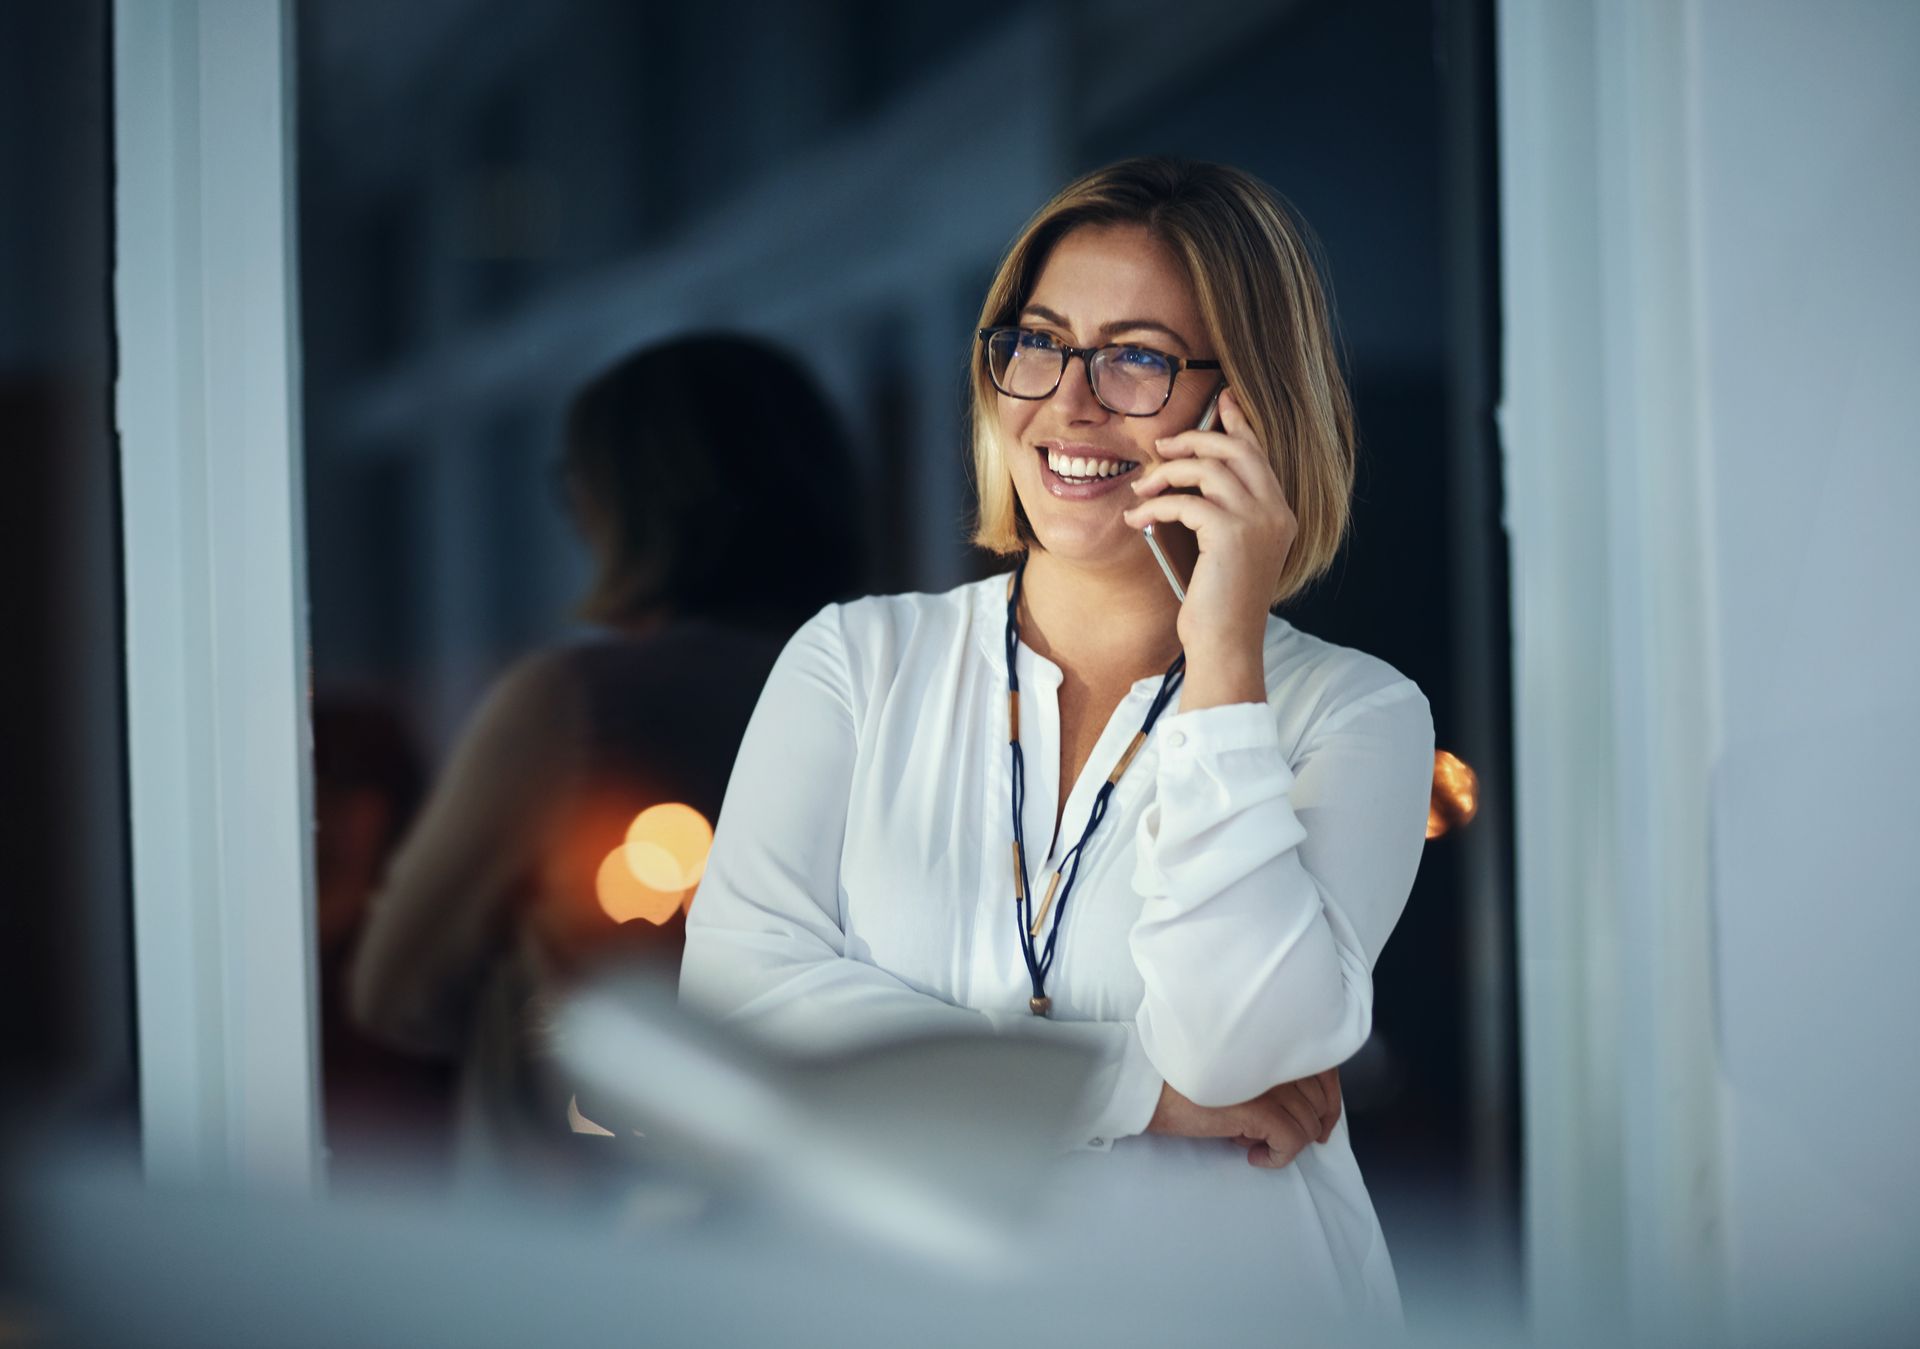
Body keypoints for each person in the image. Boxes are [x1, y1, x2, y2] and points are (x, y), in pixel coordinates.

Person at [678, 159, 1434, 1320]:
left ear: (1247, 408)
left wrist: (1224, 654)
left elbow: (1236, 1048)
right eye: (1038, 342)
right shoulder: (855, 663)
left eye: (1137, 356)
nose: (1069, 405)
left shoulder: (1356, 713)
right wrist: (1139, 1087)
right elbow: (740, 997)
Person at [349, 334, 868, 1183]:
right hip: (818, 1210)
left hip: (591, 1218)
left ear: (635, 500)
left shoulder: (579, 702)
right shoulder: (894, 691)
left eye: (575, 483)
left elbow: (398, 992)